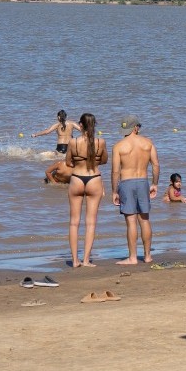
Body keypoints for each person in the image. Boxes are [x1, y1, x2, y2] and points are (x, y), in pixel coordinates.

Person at [111, 117, 159, 265]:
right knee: (144, 220)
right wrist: (154, 184)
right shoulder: (148, 143)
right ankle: (148, 256)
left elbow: (115, 171)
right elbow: (156, 165)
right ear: (136, 128)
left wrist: (114, 191)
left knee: (131, 222)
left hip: (126, 183)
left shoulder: (118, 146)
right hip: (143, 182)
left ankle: (132, 257)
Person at [65, 112, 108, 267]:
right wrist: (93, 162)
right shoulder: (100, 142)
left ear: (80, 125)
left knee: (74, 223)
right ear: (94, 125)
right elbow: (104, 160)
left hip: (77, 178)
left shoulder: (73, 142)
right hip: (94, 178)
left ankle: (75, 261)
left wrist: (78, 163)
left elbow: (68, 162)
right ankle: (86, 260)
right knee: (90, 223)